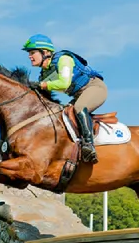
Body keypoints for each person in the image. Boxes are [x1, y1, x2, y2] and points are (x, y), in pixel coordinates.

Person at [22, 34, 108, 163]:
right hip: (78, 95)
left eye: (32, 52)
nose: (30, 56)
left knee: (79, 108)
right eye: (29, 53)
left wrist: (41, 85)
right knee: (61, 114)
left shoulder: (64, 59)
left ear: (45, 52)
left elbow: (64, 83)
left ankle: (89, 146)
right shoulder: (44, 74)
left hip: (94, 88)